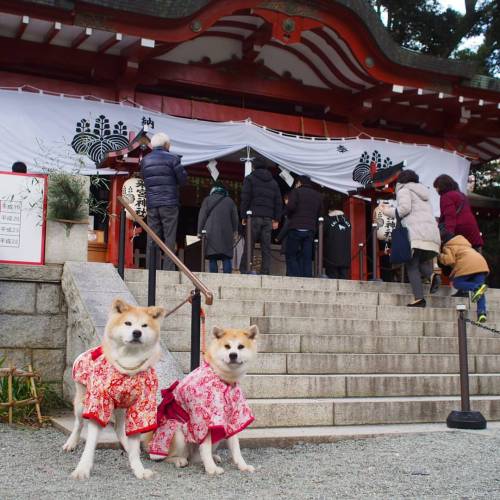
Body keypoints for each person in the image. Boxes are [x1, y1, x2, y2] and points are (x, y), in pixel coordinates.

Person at [379, 169, 441, 307]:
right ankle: (432, 275)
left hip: (416, 232)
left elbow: (404, 209)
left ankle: (419, 298)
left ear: (400, 181)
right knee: (419, 262)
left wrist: (385, 211)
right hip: (430, 233)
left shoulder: (404, 190)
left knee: (411, 264)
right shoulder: (423, 193)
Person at [141, 132, 187, 271]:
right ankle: (168, 269)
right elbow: (183, 180)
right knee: (169, 236)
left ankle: (151, 268)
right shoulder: (173, 159)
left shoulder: (145, 160)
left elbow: (145, 179)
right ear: (166, 145)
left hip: (152, 203)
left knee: (152, 236)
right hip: (169, 203)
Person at [239, 163, 282, 275]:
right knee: (266, 246)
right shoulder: (273, 183)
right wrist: (277, 219)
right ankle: (265, 270)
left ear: (254, 167)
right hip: (268, 218)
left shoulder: (250, 179)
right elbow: (278, 202)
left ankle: (245, 269)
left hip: (253, 217)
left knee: (250, 244)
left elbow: (245, 198)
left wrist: (243, 215)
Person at [439, 231, 489, 323]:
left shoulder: (448, 245)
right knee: (480, 291)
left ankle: (475, 287)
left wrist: (440, 256)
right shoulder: (465, 244)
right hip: (481, 263)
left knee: (457, 283)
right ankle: (481, 313)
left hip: (468, 265)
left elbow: (449, 260)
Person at [285, 175, 323, 278]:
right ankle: (307, 277)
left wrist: (289, 215)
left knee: (291, 254)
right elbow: (320, 213)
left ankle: (295, 276)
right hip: (310, 229)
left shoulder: (296, 192)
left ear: (299, 183)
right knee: (307, 256)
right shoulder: (318, 195)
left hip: (296, 226)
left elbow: (290, 207)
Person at [433, 174, 483, 250]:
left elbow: (450, 216)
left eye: (436, 187)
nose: (436, 190)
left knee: (459, 259)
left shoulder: (446, 196)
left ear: (441, 186)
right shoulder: (462, 195)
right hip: (472, 230)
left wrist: (448, 238)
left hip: (460, 232)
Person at [197, 180, 238, 274]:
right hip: (227, 233)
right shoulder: (230, 201)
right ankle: (227, 279)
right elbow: (235, 218)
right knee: (226, 257)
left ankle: (213, 278)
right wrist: (235, 231)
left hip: (211, 232)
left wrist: (199, 231)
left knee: (212, 257)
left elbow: (202, 216)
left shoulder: (207, 200)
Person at [324, 202, 351, 279]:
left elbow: (321, 233)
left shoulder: (327, 220)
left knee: (332, 277)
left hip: (331, 255)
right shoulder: (347, 220)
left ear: (329, 210)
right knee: (344, 277)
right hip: (345, 255)